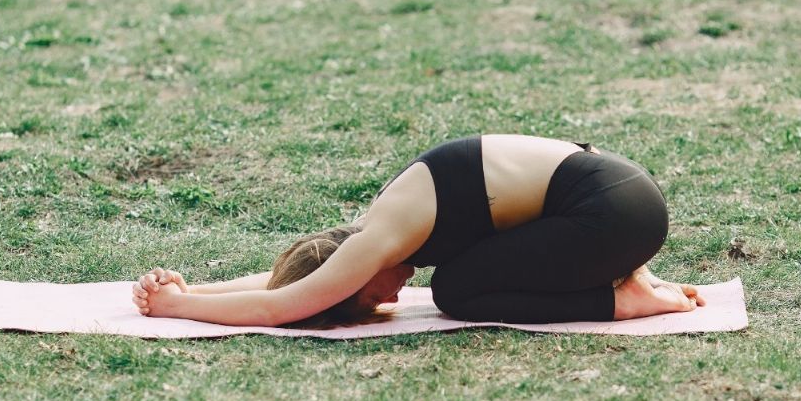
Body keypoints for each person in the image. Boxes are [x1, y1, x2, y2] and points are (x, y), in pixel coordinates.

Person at [131, 134, 705, 327]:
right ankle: (628, 281)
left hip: (609, 214)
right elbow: (288, 282)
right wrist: (196, 289)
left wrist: (174, 310)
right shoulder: (379, 228)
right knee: (463, 276)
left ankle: (621, 299)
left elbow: (279, 306)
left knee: (455, 290)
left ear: (351, 271)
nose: (391, 297)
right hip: (622, 198)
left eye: (367, 297)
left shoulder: (378, 239)